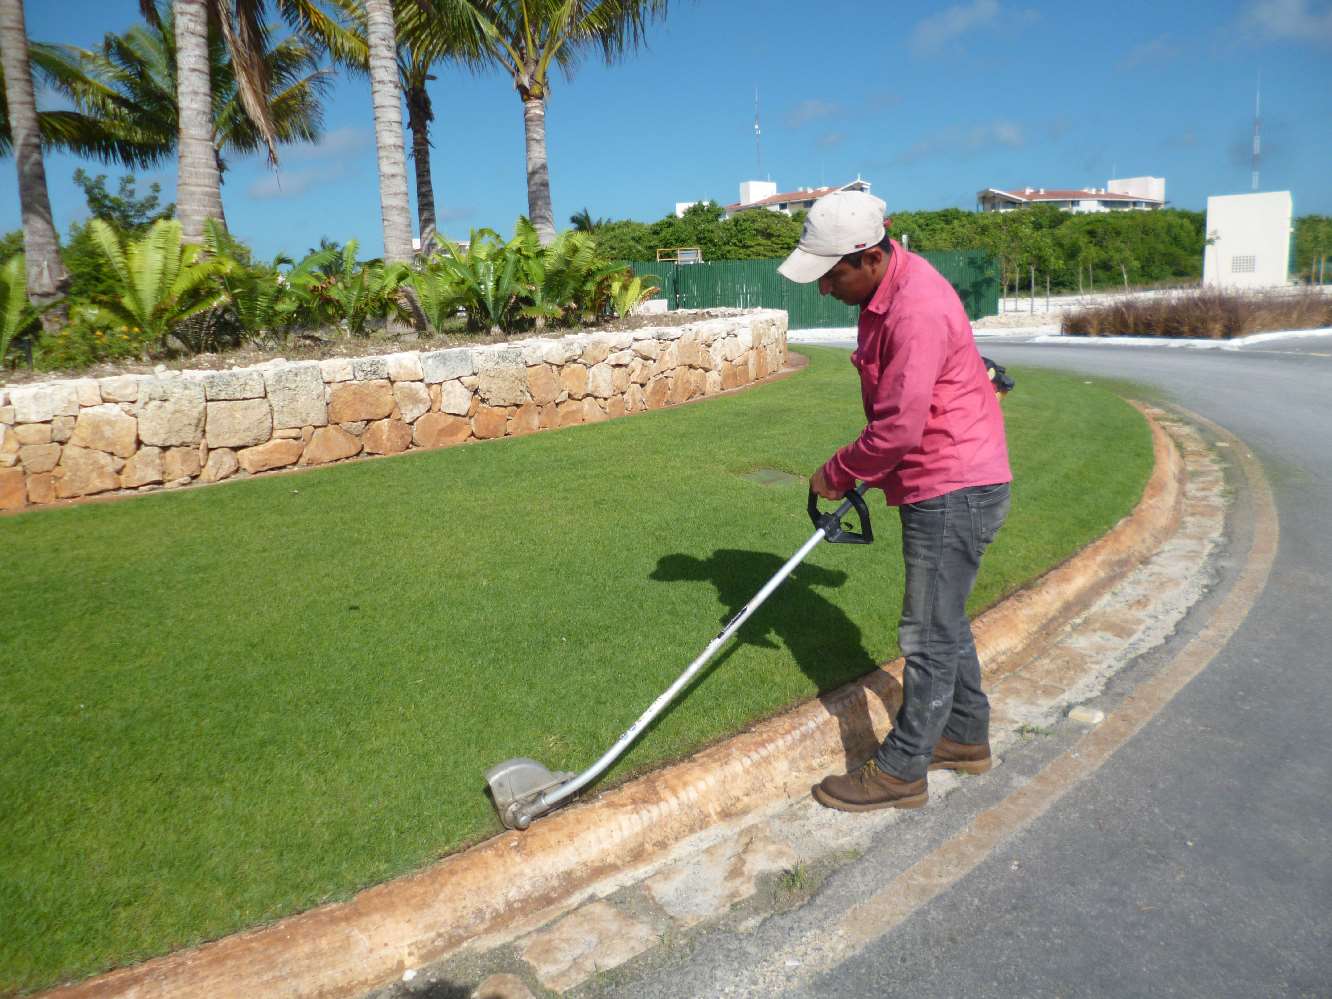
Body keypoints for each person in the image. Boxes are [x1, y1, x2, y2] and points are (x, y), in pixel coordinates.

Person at [777, 191, 1012, 812]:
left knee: (927, 632)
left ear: (869, 257)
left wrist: (837, 473)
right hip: (949, 480)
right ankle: (964, 737)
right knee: (945, 620)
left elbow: (900, 429)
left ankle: (902, 771)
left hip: (953, 487)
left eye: (831, 274)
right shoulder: (885, 293)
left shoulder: (915, 307)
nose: (823, 288)